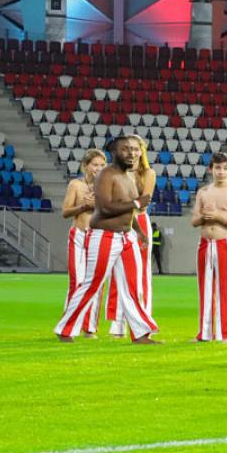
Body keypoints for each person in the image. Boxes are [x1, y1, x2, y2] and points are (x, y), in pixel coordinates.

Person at [54, 136, 159, 343]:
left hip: (126, 236)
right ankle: (65, 328)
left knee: (132, 286)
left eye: (132, 149)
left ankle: (140, 333)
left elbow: (128, 211)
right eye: (124, 150)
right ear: (114, 153)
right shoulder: (106, 175)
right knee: (92, 283)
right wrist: (137, 203)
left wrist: (139, 231)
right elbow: (106, 207)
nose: (130, 153)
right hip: (105, 235)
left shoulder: (127, 177)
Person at [190, 152, 227, 343]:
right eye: (217, 168)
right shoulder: (203, 192)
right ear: (211, 169)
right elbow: (194, 221)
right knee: (204, 289)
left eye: (225, 168)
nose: (221, 172)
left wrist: (220, 217)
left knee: (226, 288)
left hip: (225, 243)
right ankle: (204, 333)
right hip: (205, 243)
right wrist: (205, 217)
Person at [107, 134, 157, 338]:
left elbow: (143, 201)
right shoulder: (115, 172)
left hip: (139, 223)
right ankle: (117, 323)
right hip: (118, 222)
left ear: (141, 151)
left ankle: (142, 321)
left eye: (136, 149)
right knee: (117, 273)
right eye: (128, 149)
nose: (132, 152)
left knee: (141, 273)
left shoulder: (148, 173)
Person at [60, 149, 107, 337]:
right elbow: (65, 212)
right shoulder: (75, 185)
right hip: (79, 236)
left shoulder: (107, 186)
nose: (98, 169)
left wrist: (99, 205)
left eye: (102, 165)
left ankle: (90, 328)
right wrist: (83, 206)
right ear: (85, 166)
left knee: (96, 283)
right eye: (95, 165)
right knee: (77, 282)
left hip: (98, 236)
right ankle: (70, 325)